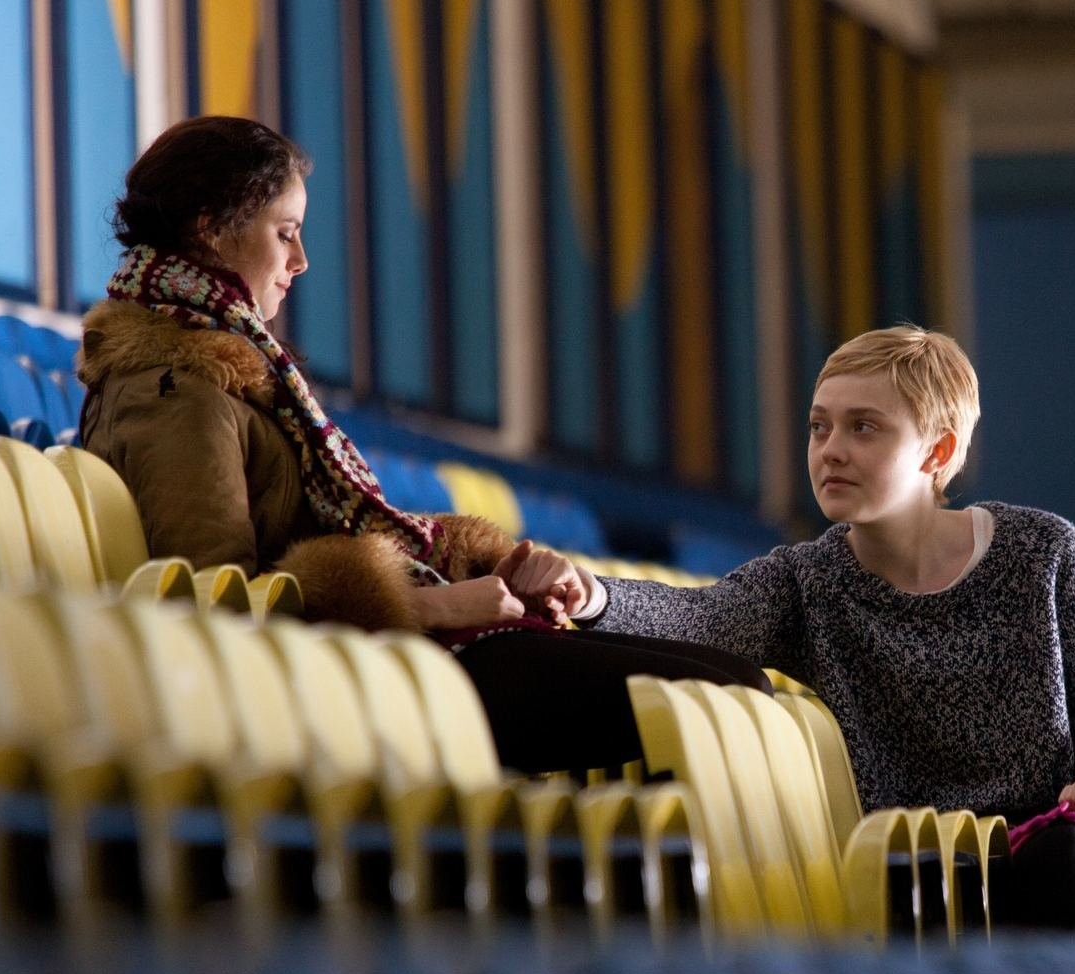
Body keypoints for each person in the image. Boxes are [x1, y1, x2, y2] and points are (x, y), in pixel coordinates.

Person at [75, 115, 766, 771]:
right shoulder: (175, 386)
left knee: (733, 687)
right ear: (212, 231)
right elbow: (214, 605)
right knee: (723, 699)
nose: (301, 260)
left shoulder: (221, 363)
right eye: (285, 232)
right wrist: (434, 605)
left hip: (391, 660)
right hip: (360, 684)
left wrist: (480, 569)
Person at [505, 327, 1075, 928]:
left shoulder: (1045, 550)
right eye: (819, 426)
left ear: (936, 450)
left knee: (1062, 862)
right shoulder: (807, 580)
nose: (831, 450)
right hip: (938, 877)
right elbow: (700, 618)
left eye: (864, 427)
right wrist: (589, 593)